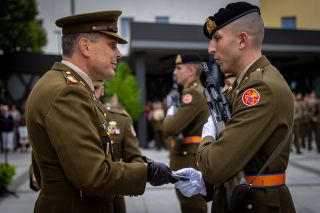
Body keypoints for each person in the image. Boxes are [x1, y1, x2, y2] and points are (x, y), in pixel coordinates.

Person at [25, 11, 175, 213]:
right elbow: (94, 176)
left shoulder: (64, 85)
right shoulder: (67, 92)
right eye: (112, 45)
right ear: (85, 47)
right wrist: (147, 172)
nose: (118, 53)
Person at [175, 2, 296, 212]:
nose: (211, 48)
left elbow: (215, 166)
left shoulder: (260, 88)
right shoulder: (244, 85)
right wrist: (205, 183)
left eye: (217, 38)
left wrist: (207, 137)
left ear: (242, 40)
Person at [163, 54, 209, 213]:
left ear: (191, 71)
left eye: (178, 68)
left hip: (189, 157)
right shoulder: (191, 92)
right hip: (186, 155)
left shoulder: (193, 94)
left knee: (192, 205)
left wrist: (170, 114)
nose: (174, 72)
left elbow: (170, 128)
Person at [94, 80, 145, 213]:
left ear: (102, 90)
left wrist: (142, 172)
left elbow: (135, 158)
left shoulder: (120, 120)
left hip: (111, 200)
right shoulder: (65, 114)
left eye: (95, 87)